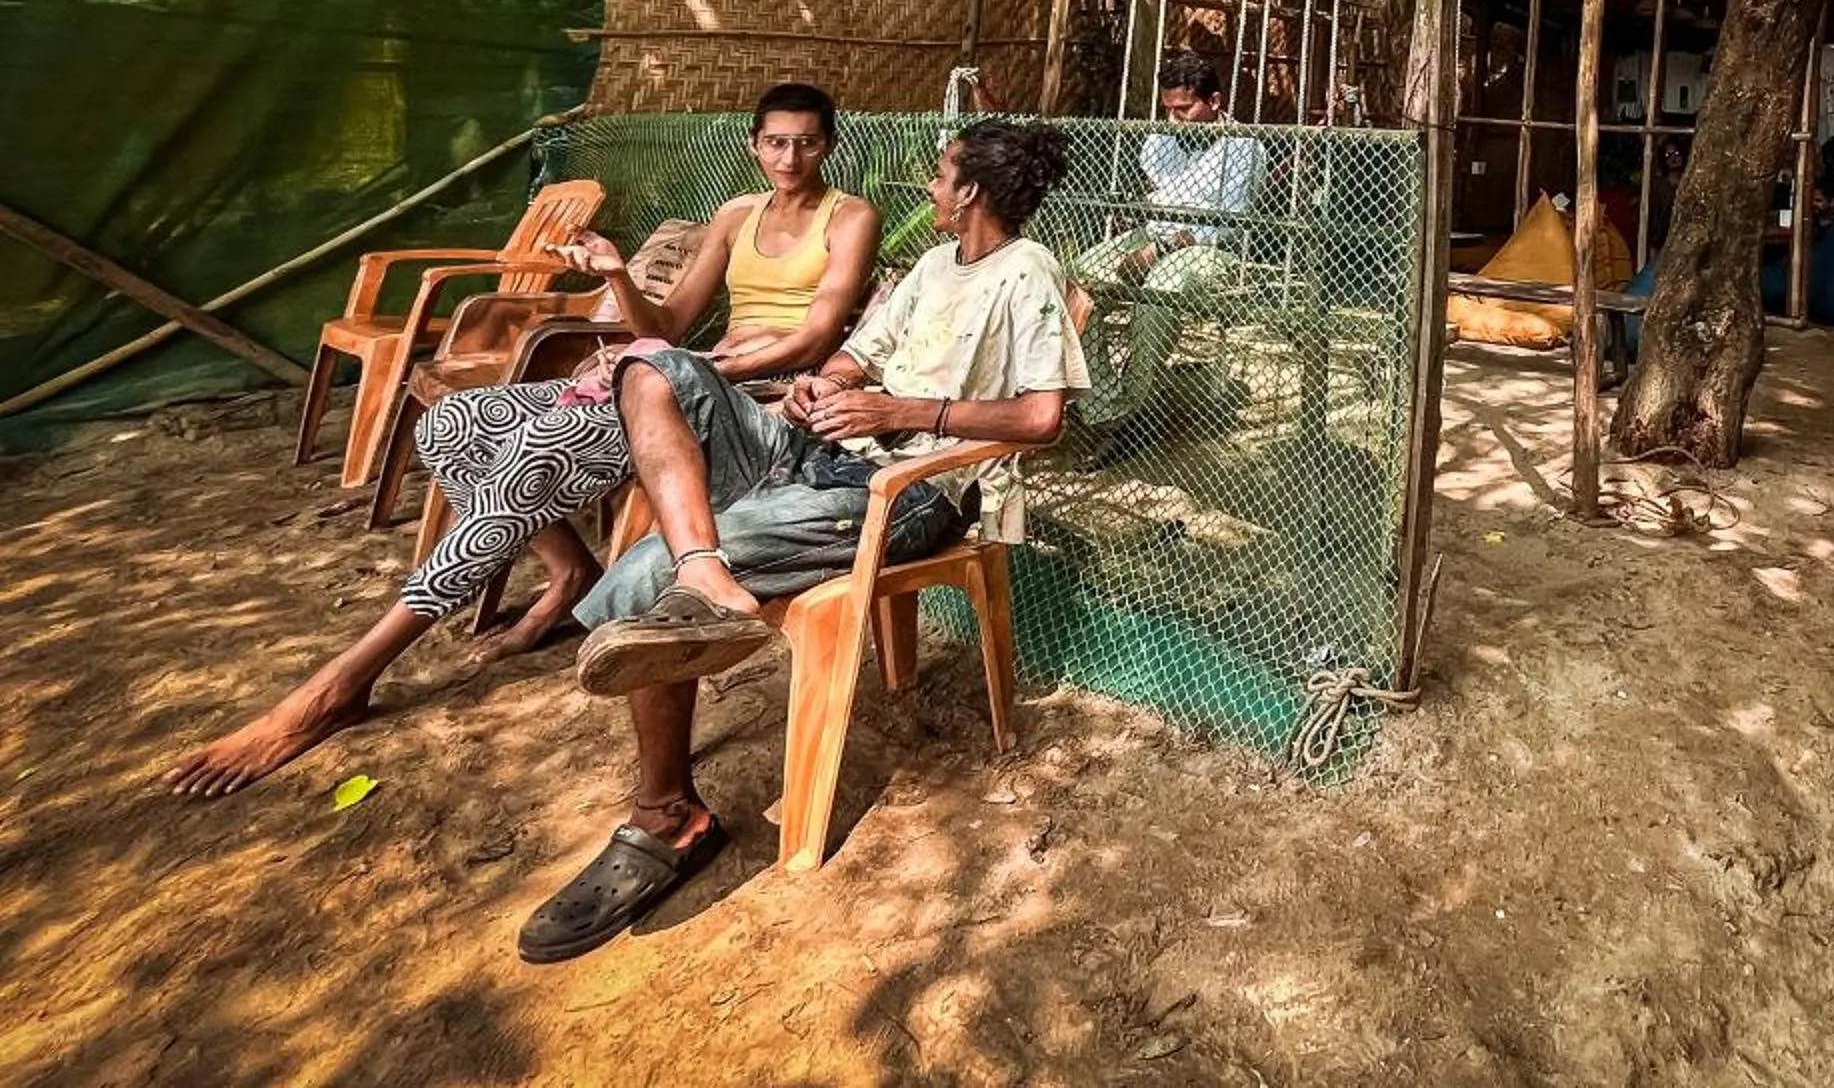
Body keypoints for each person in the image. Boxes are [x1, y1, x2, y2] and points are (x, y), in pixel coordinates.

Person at [160, 83, 876, 799]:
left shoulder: (849, 217)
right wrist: (620, 278)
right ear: (753, 144)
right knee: (450, 421)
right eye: (776, 141)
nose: (791, 157)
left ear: (829, 145)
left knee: (537, 452)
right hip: (679, 379)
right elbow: (665, 326)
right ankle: (570, 576)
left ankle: (344, 680)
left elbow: (815, 333)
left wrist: (698, 365)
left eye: (807, 142)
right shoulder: (735, 215)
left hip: (761, 402)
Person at [517, 119, 1088, 962]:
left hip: (913, 491)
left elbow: (1042, 418)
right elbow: (863, 355)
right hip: (825, 449)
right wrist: (823, 386)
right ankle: (704, 568)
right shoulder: (933, 266)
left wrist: (903, 413)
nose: (929, 189)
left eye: (939, 176)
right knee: (653, 366)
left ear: (968, 192)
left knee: (645, 572)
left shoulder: (1028, 273)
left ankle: (667, 818)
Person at [1067, 50, 1268, 423]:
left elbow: (1223, 226)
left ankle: (1136, 408)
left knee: (1160, 289)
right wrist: (1140, 226)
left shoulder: (1243, 147)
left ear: (1214, 101)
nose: (1175, 119)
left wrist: (1156, 251)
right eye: (1169, 109)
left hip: (1212, 252)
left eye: (1184, 108)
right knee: (1079, 278)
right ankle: (1102, 403)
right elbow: (1154, 192)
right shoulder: (1164, 137)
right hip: (1152, 237)